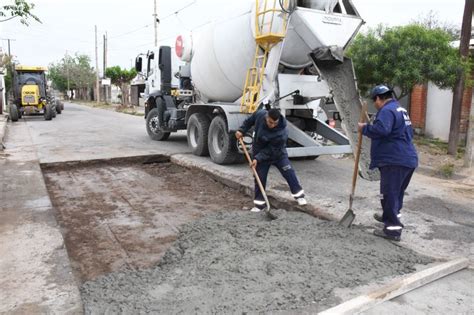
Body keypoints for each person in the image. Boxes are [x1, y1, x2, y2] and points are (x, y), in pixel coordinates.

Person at [358, 85, 418, 241]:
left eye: (375, 101)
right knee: (396, 193)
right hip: (407, 158)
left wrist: (365, 128)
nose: (375, 104)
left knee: (389, 194)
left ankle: (392, 230)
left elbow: (382, 130)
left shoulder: (386, 111)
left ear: (379, 98)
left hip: (394, 160)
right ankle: (390, 216)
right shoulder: (400, 109)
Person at [235, 108, 307, 212]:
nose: (272, 125)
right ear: (266, 117)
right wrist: (241, 130)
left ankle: (299, 196)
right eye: (270, 122)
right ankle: (259, 205)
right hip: (260, 153)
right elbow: (249, 121)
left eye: (275, 123)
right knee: (259, 177)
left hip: (278, 154)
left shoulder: (282, 132)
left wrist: (257, 159)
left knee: (289, 172)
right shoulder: (260, 114)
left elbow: (271, 150)